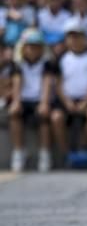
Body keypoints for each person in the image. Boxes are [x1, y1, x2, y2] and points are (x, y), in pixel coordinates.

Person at [50, 19, 87, 159]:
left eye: (78, 36)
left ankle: (83, 146)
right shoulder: (61, 58)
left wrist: (86, 102)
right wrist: (67, 102)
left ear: (84, 38)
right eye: (71, 36)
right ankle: (66, 154)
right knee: (56, 117)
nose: (74, 40)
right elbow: (58, 84)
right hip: (65, 101)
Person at [8, 29, 54, 172]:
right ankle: (18, 152)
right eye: (29, 46)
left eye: (36, 46)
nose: (32, 50)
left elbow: (47, 83)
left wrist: (44, 102)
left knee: (44, 117)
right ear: (23, 48)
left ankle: (45, 153)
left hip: (40, 99)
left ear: (41, 48)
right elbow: (17, 83)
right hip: (24, 99)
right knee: (14, 115)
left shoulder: (46, 64)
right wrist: (16, 102)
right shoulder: (18, 64)